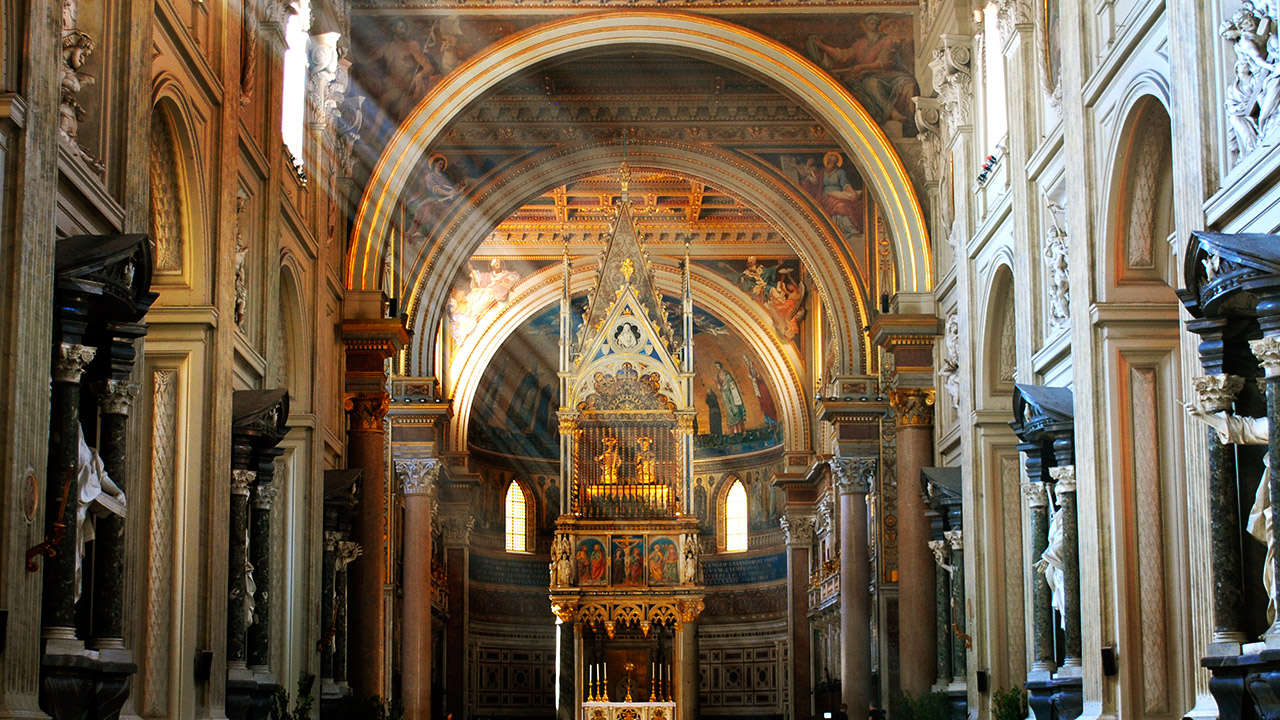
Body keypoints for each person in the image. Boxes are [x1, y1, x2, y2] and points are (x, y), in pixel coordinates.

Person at [714, 361, 747, 434]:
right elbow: (719, 387)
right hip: (725, 394)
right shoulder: (718, 376)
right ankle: (732, 431)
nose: (717, 367)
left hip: (731, 393)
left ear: (720, 366)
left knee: (735, 409)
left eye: (718, 366)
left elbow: (732, 383)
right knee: (729, 410)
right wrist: (717, 382)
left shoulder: (727, 374)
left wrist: (732, 388)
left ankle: (740, 429)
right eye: (716, 366)